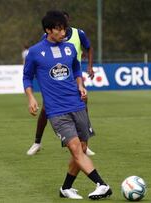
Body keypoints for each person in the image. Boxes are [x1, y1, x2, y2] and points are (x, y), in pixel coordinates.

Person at [23, 10, 112, 200]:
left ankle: (66, 188)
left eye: (64, 28)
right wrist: (31, 97)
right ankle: (102, 184)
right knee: (74, 147)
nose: (64, 33)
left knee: (80, 146)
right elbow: (26, 77)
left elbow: (76, 68)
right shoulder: (35, 52)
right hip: (56, 111)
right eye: (59, 29)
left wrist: (80, 85)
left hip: (77, 104)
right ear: (48, 30)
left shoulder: (70, 48)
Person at [26, 11, 96, 156]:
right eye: (59, 26)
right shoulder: (46, 39)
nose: (62, 30)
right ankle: (37, 141)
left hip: (73, 78)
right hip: (55, 84)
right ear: (50, 29)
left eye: (64, 25)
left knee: (83, 102)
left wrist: (89, 68)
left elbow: (88, 48)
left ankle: (84, 140)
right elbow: (39, 60)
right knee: (46, 110)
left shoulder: (78, 34)